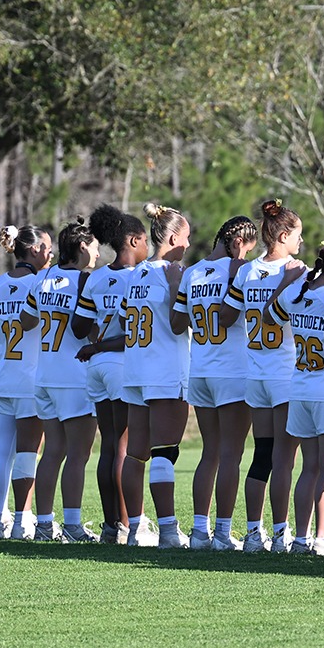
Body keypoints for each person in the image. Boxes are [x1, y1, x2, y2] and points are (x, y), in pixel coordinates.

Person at [223, 199, 306, 553]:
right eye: (297, 235)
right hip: (284, 373)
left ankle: (253, 533)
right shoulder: (294, 270)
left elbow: (226, 316)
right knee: (284, 460)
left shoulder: (245, 271)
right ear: (283, 235)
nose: (301, 243)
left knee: (262, 455)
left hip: (255, 373)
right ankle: (280, 534)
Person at [268, 240, 324, 555]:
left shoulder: (298, 293)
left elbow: (270, 316)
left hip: (300, 389)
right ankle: (322, 539)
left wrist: (285, 283)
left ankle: (302, 539)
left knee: (308, 469)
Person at [178, 215, 257, 551]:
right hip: (232, 370)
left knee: (209, 452)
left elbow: (177, 321)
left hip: (201, 368)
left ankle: (199, 531)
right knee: (231, 454)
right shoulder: (238, 270)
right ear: (238, 242)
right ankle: (222, 533)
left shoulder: (192, 271)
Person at [22, 219, 100, 542]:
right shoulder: (85, 281)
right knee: (78, 455)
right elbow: (91, 329)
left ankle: (43, 525)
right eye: (95, 246)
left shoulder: (43, 277)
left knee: (52, 451)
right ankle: (72, 525)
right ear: (82, 247)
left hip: (45, 375)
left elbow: (26, 320)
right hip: (73, 376)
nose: (97, 252)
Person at [121, 204, 192, 549]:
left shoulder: (135, 273)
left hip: (135, 367)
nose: (189, 245)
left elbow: (125, 320)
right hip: (164, 368)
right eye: (187, 238)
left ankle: (135, 528)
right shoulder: (172, 272)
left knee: (135, 453)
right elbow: (179, 320)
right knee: (165, 451)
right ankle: (167, 530)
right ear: (174, 237)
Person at [0, 225, 50, 538]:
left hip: (1, 374)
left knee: (4, 449)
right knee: (29, 450)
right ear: (33, 250)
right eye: (46, 246)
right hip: (30, 378)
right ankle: (21, 521)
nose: (51, 252)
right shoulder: (44, 283)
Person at [80, 206, 144, 544]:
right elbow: (135, 332)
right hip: (119, 362)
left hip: (97, 366)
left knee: (108, 445)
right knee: (123, 446)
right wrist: (104, 345)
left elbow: (81, 325)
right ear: (133, 241)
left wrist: (96, 342)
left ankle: (110, 524)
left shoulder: (96, 277)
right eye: (144, 240)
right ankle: (128, 524)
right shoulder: (140, 275)